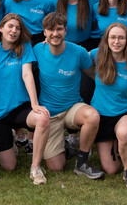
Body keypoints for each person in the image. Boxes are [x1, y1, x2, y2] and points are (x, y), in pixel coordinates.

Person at [33, 12, 105, 178]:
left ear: (66, 31)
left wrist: (121, 88)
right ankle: (64, 146)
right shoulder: (37, 50)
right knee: (56, 167)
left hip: (73, 107)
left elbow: (94, 75)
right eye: (50, 30)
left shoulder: (78, 52)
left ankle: (82, 162)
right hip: (49, 114)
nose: (55, 33)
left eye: (59, 29)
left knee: (92, 116)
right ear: (44, 32)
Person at [0, 14, 51, 184]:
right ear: (1, 28)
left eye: (17, 28)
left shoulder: (24, 47)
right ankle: (10, 141)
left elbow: (27, 74)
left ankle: (35, 167)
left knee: (43, 119)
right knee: (9, 166)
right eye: (10, 26)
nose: (14, 31)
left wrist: (35, 104)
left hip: (21, 109)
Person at [88, 23, 127, 188]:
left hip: (124, 112)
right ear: (106, 39)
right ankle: (115, 145)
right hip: (101, 115)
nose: (116, 41)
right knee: (111, 169)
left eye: (121, 37)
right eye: (113, 37)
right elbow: (76, 58)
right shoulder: (97, 55)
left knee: (125, 133)